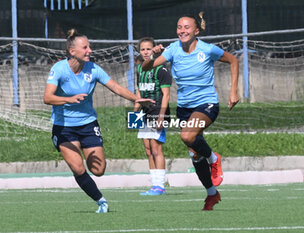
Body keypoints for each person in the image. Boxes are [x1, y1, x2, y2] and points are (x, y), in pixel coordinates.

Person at [43, 29, 153, 213]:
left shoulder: (93, 68)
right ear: (72, 51)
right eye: (85, 47)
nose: (90, 50)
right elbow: (47, 97)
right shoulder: (59, 69)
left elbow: (115, 87)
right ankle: (100, 200)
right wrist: (68, 99)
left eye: (89, 46)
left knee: (98, 169)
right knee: (78, 168)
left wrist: (136, 98)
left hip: (88, 124)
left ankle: (87, 169)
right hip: (64, 127)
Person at [142, 12, 239, 210]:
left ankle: (214, 158)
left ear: (196, 31)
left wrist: (233, 91)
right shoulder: (172, 50)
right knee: (195, 154)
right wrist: (153, 54)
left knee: (187, 135)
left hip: (206, 104)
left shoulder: (207, 49)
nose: (182, 31)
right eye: (179, 27)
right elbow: (146, 68)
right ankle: (212, 194)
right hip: (184, 108)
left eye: (186, 27)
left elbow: (233, 61)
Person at [134, 37, 172, 195]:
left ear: (154, 50)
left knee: (156, 149)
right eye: (142, 49)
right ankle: (154, 184)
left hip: (157, 111)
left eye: (148, 49)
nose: (145, 52)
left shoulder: (160, 69)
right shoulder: (139, 68)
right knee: (148, 149)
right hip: (144, 112)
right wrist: (136, 108)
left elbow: (166, 95)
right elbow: (139, 90)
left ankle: (160, 186)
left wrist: (162, 116)